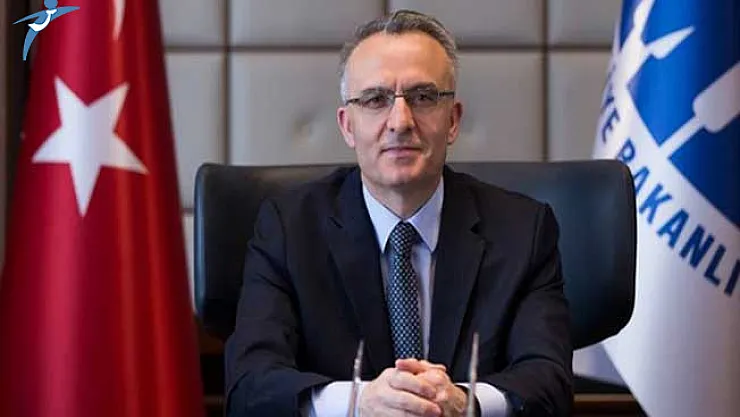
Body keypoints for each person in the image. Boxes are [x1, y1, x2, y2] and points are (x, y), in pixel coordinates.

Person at [225, 9, 572, 417]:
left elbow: (550, 383)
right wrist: (358, 403)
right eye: (375, 100)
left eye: (423, 97)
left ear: (453, 120)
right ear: (347, 126)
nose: (400, 121)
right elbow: (250, 386)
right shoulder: (288, 230)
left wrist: (465, 402)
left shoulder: (523, 231)